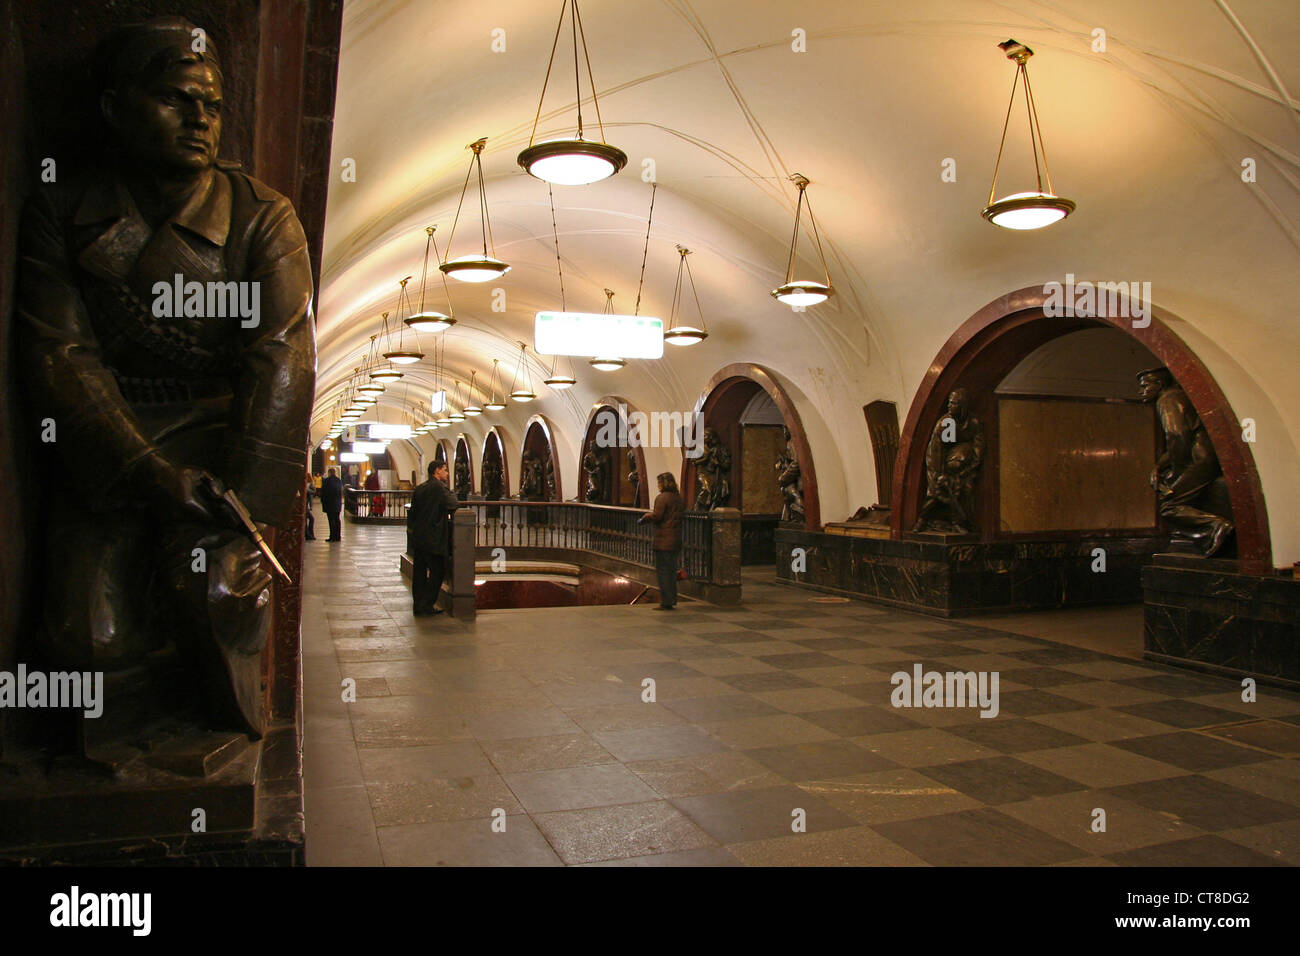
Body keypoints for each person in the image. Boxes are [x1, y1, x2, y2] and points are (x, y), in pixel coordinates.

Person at [15, 17, 316, 738]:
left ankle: (219, 732)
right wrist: (147, 471)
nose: (199, 120)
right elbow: (60, 354)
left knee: (216, 601)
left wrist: (243, 501)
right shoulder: (64, 211)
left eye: (211, 106)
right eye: (176, 100)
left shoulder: (259, 218)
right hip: (111, 448)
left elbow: (282, 356)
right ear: (116, 108)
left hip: (221, 450)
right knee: (87, 639)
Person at [1138, 367, 1234, 555]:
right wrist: (1159, 467)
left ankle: (1217, 526)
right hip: (1203, 458)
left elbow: (1177, 436)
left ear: (1159, 384)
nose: (1141, 391)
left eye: (1145, 386)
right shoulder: (1179, 396)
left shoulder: (1168, 399)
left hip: (1200, 461)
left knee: (1169, 505)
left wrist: (1178, 472)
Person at [407, 460, 460, 615]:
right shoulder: (439, 488)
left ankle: (418, 604)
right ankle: (427, 605)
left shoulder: (420, 488)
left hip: (419, 537)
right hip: (434, 537)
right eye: (445, 470)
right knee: (438, 571)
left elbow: (414, 513)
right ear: (437, 471)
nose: (447, 473)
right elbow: (453, 503)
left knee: (419, 573)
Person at [639, 472, 684, 610]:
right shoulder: (678, 498)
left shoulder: (662, 498)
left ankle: (666, 601)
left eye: (659, 482)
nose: (658, 485)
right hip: (675, 539)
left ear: (663, 483)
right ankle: (672, 599)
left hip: (663, 541)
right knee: (671, 571)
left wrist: (645, 517)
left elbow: (657, 516)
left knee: (663, 572)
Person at [320, 467, 343, 541]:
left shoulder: (327, 481)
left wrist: (323, 502)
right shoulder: (339, 480)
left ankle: (332, 536)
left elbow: (324, 493)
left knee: (331, 521)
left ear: (329, 473)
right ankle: (338, 536)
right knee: (337, 520)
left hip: (330, 504)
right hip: (337, 504)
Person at [304, 471, 316, 540]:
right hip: (305, 505)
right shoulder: (305, 484)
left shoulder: (309, 484)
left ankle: (309, 534)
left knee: (310, 519)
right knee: (310, 519)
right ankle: (308, 534)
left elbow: (313, 491)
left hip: (306, 504)